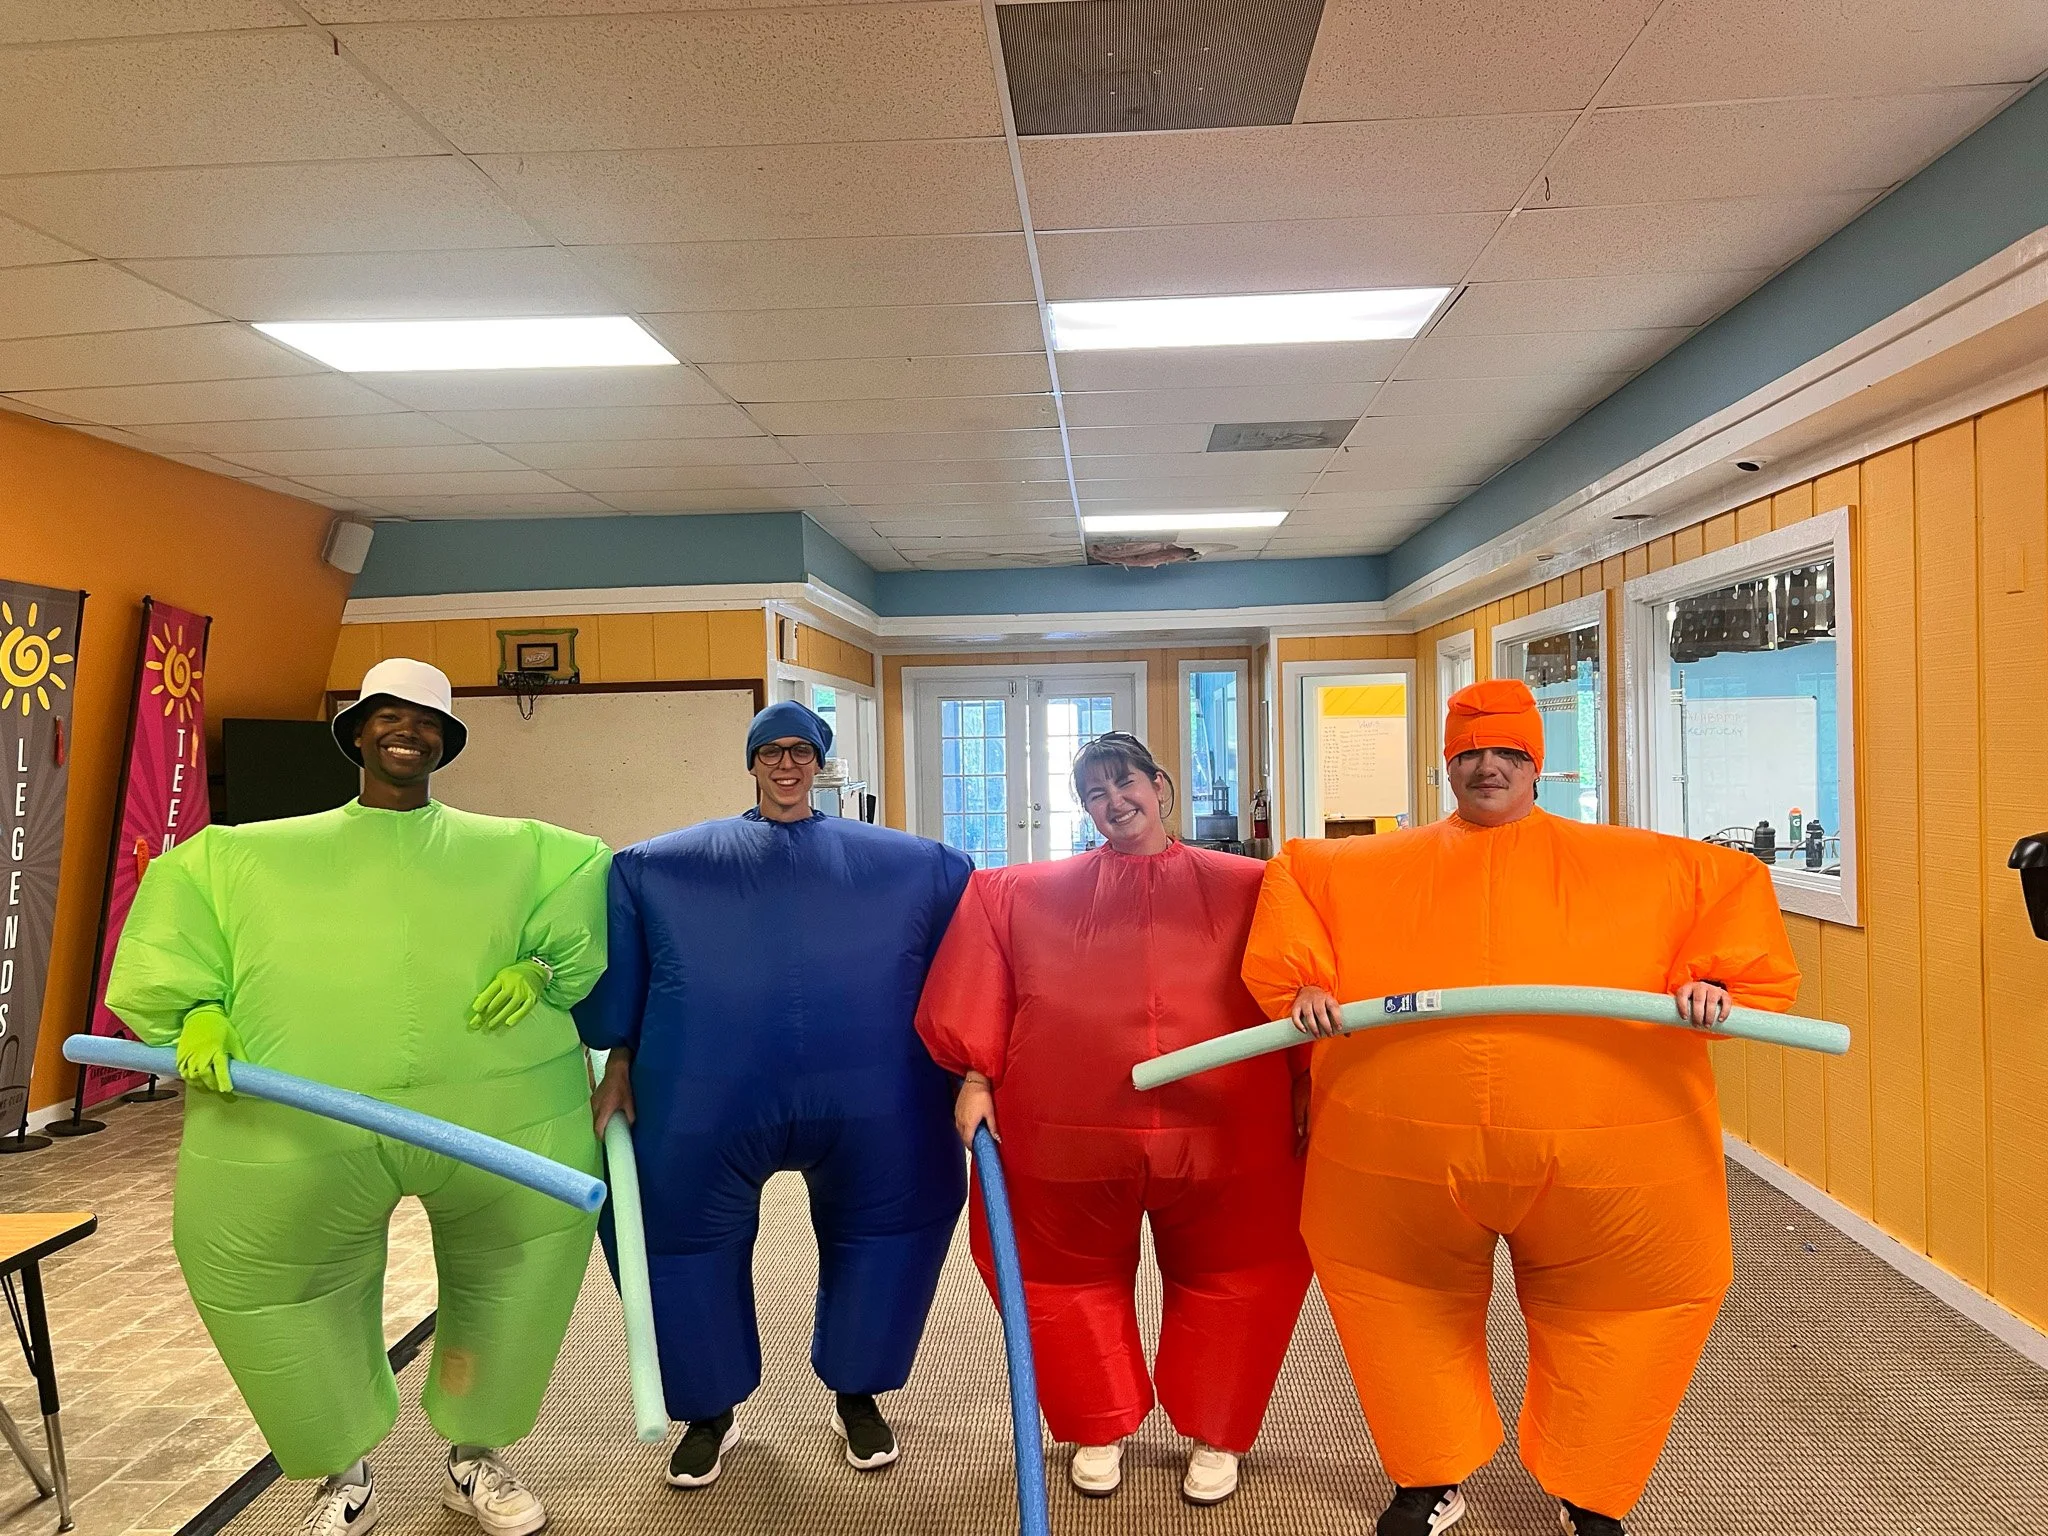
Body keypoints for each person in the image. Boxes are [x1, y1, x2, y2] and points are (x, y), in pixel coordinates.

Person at [1241, 679, 1799, 1536]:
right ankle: (1429, 1478)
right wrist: (1305, 981)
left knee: (1626, 1308)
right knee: (1397, 1304)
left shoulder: (1653, 869)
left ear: (1538, 765)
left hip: (1607, 1163)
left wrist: (1715, 982)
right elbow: (1293, 893)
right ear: (1446, 764)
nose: (1487, 766)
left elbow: (1733, 900)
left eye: (1508, 752)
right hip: (1400, 1163)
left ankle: (1590, 1486)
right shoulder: (1350, 872)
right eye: (1470, 751)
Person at [107, 658, 612, 1536]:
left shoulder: (526, 852)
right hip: (297, 1121)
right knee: (274, 1279)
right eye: (387, 715)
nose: (405, 731)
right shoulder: (240, 859)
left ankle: (475, 1456)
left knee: (521, 1269)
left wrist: (539, 970)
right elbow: (178, 921)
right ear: (356, 733)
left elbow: (580, 896)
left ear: (447, 741)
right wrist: (195, 1013)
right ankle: (341, 1471)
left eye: (424, 720)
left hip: (496, 1113)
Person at [577, 699, 972, 1491]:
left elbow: (968, 976)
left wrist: (975, 1068)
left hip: (874, 1094)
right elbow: (626, 988)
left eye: (800, 752)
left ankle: (857, 1395)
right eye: (770, 752)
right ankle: (707, 1413)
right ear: (751, 762)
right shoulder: (659, 868)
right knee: (675, 1236)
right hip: (706, 1094)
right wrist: (618, 1059)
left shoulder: (919, 867)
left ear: (820, 764)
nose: (786, 766)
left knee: (891, 1228)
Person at [916, 732, 1311, 1505]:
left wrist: (1307, 1080)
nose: (1113, 802)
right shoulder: (1015, 895)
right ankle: (1097, 1421)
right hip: (1066, 1130)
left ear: (1160, 785)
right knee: (1058, 1273)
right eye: (1094, 793)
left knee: (1241, 1272)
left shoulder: (1259, 885)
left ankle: (1218, 1431)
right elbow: (980, 976)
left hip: (1229, 1129)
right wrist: (974, 1076)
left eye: (1124, 783)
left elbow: (1301, 988)